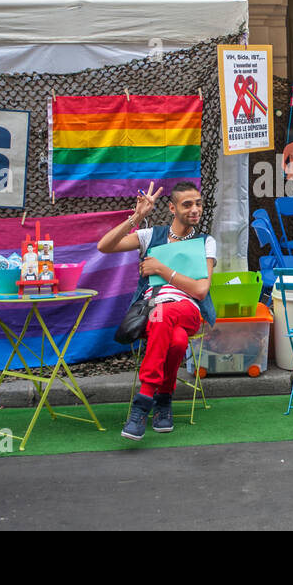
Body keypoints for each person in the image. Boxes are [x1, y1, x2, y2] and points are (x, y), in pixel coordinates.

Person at [97, 181, 217, 440]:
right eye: (187, 204)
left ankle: (142, 402)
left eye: (198, 203)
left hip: (188, 310)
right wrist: (137, 217)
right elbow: (104, 246)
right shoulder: (151, 236)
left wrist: (162, 270)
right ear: (172, 208)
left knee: (166, 315)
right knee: (177, 341)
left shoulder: (205, 242)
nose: (195, 209)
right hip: (153, 311)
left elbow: (200, 291)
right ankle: (163, 399)